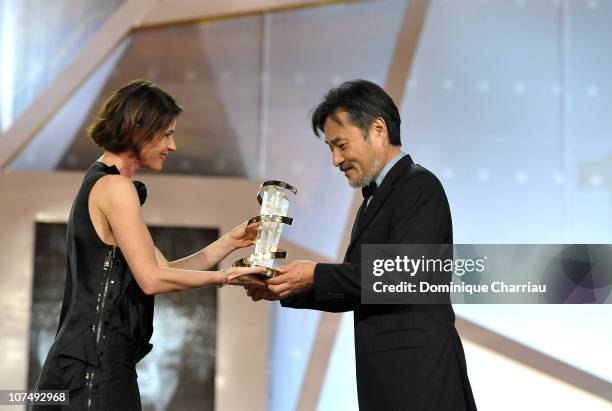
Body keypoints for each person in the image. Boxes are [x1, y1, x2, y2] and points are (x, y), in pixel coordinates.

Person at [31, 79, 266, 411]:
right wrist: (227, 277)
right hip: (93, 369)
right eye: (167, 133)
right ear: (137, 129)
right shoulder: (115, 187)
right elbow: (152, 280)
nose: (173, 146)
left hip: (91, 365)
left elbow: (163, 270)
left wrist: (229, 243)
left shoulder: (106, 183)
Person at [246, 80, 477, 410]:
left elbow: (400, 277)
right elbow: (358, 284)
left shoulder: (419, 187)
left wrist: (314, 275)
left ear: (378, 129)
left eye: (341, 145)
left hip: (421, 382)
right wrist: (285, 286)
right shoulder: (373, 200)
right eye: (330, 149)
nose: (335, 160)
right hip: (390, 381)